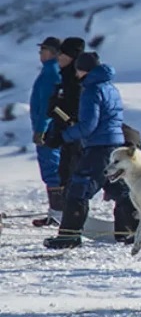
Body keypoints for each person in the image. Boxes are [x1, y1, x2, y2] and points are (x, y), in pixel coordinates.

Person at [42, 52, 137, 248]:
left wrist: (63, 136)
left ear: (83, 70)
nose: (76, 73)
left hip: (98, 146)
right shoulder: (111, 87)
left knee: (78, 189)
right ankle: (130, 230)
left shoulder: (92, 90)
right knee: (118, 188)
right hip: (115, 144)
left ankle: (69, 236)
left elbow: (88, 126)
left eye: (77, 69)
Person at [41, 36, 87, 226]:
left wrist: (60, 121)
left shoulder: (77, 82)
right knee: (65, 176)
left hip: (76, 138)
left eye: (63, 53)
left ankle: (72, 226)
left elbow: (76, 115)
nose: (59, 56)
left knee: (76, 180)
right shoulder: (65, 78)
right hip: (66, 137)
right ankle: (68, 222)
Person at [30, 37, 63, 225]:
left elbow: (46, 105)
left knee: (51, 168)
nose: (40, 53)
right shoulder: (50, 70)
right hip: (49, 127)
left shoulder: (51, 71)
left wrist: (41, 129)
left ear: (53, 52)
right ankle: (56, 212)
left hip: (48, 129)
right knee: (52, 167)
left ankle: (58, 213)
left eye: (44, 49)